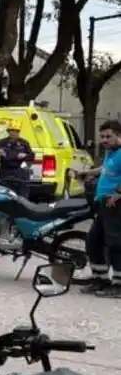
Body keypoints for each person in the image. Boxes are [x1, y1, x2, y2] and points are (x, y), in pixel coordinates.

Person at [74, 119, 121, 297]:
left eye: (108, 136)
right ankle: (100, 279)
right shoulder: (111, 152)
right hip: (103, 202)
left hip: (115, 203)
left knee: (116, 243)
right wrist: (87, 173)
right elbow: (104, 169)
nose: (104, 140)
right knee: (93, 241)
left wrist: (117, 194)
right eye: (102, 136)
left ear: (119, 136)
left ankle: (118, 284)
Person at [0, 120, 34, 197]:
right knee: (5, 196)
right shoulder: (2, 143)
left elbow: (32, 157)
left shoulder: (24, 143)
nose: (14, 132)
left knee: (22, 197)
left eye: (16, 131)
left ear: (19, 132)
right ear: (8, 131)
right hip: (6, 173)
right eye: (12, 130)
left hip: (20, 174)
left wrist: (25, 156)